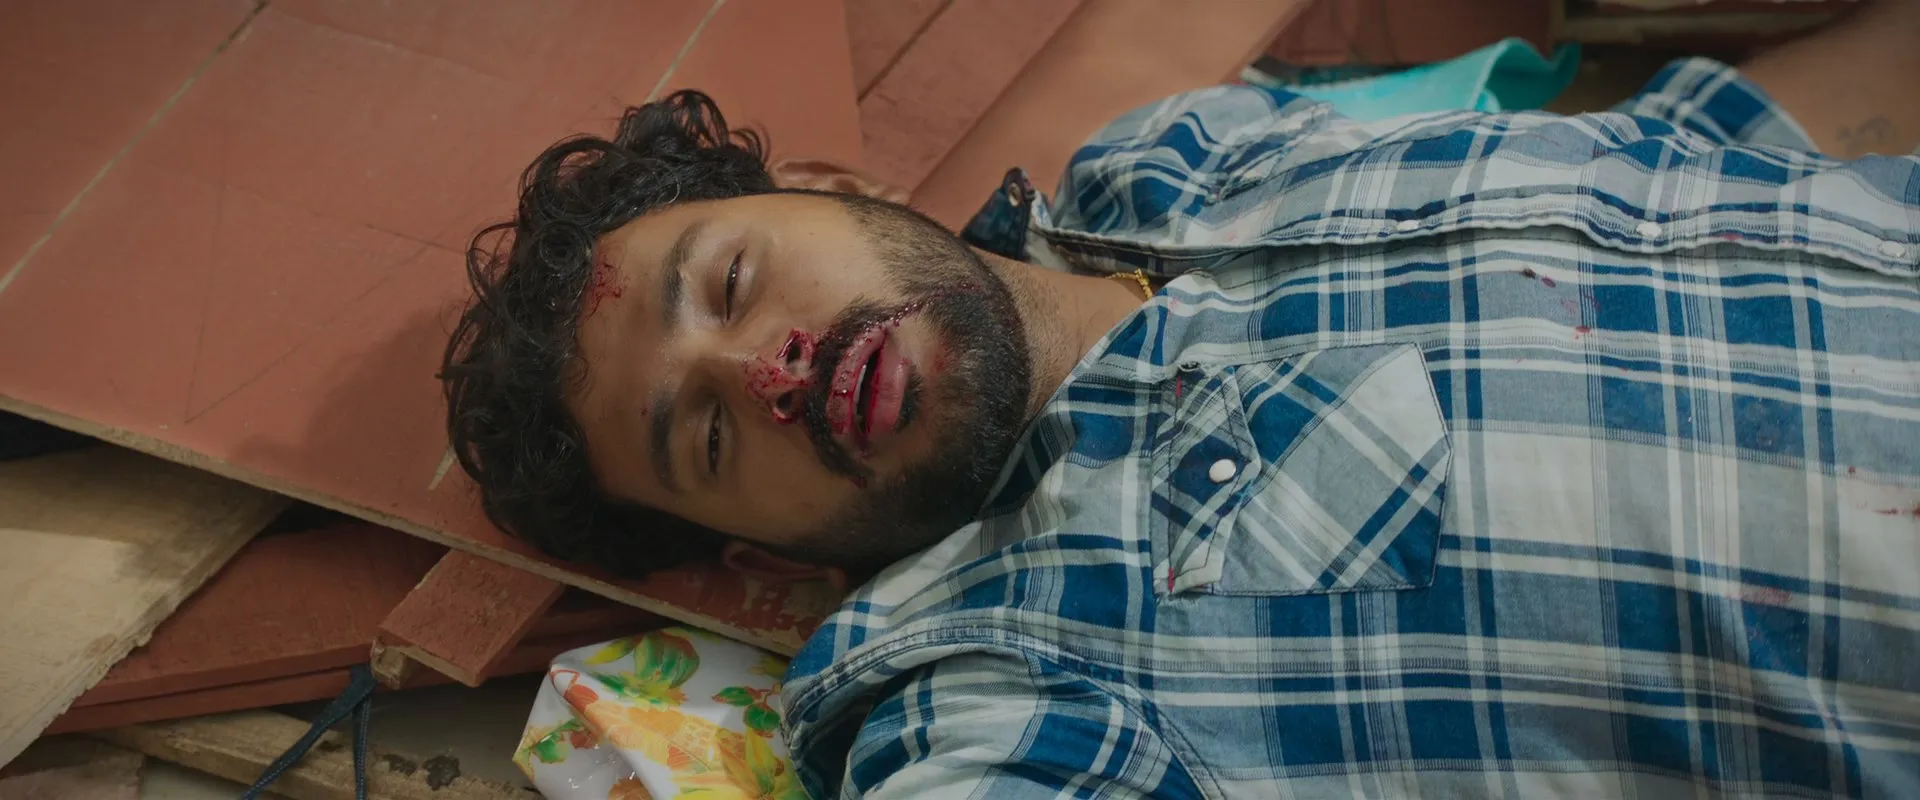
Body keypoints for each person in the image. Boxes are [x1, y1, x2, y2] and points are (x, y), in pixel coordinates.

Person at [442, 2, 1920, 795]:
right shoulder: (989, 687)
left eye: (732, 281)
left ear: (832, 186)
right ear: (757, 554)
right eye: (703, 435)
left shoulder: (1191, 155)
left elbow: (1695, 152)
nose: (767, 370)